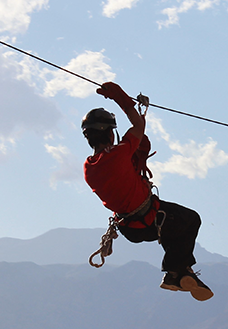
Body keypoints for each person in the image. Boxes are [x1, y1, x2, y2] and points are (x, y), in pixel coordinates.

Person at [82, 82, 213, 302]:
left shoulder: (89, 168)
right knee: (190, 220)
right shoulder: (120, 153)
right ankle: (174, 271)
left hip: (130, 229)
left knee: (174, 229)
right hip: (151, 217)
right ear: (110, 133)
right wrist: (121, 98)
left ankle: (181, 274)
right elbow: (137, 124)